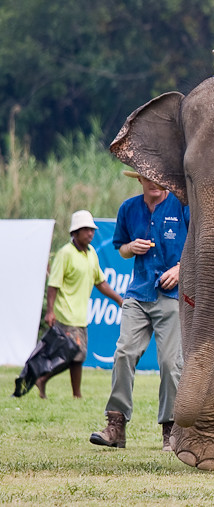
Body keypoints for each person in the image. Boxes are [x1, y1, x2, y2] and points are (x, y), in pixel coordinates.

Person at [90, 171, 189, 451]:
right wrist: (130, 247)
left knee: (171, 363)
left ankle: (171, 431)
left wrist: (181, 269)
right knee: (123, 353)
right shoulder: (128, 208)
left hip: (171, 295)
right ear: (139, 180)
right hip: (137, 293)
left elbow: (198, 243)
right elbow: (120, 248)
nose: (154, 183)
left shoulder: (183, 206)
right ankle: (115, 426)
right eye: (148, 178)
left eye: (159, 178)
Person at [35, 210, 124, 399]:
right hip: (65, 314)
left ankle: (76, 394)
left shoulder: (91, 254)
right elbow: (53, 285)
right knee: (72, 353)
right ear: (75, 232)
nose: (90, 233)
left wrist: (118, 299)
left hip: (81, 315)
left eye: (92, 230)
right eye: (86, 230)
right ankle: (42, 378)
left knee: (79, 356)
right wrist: (50, 311)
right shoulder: (65, 254)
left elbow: (100, 282)